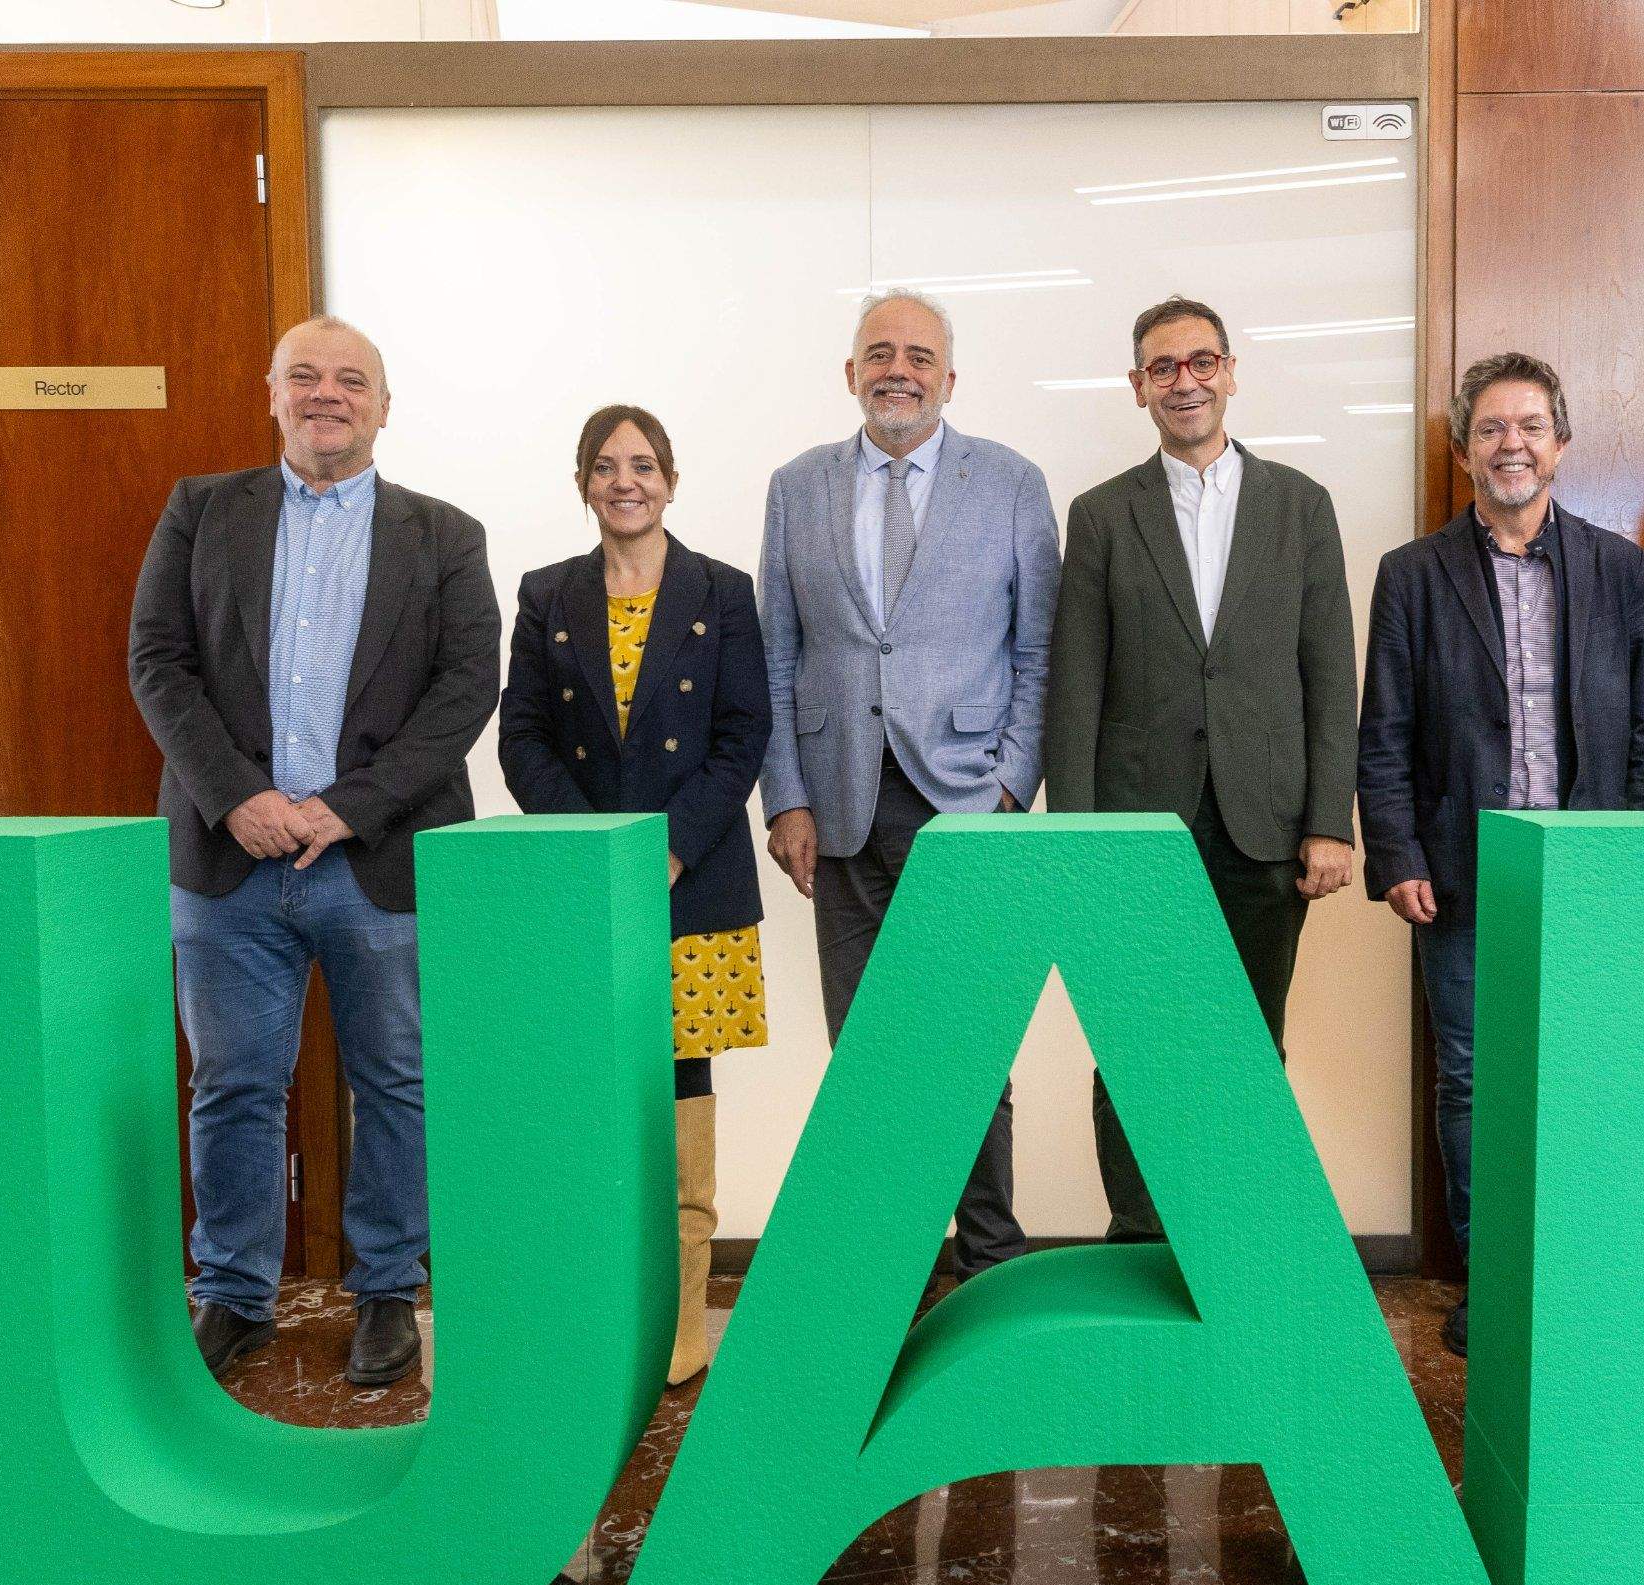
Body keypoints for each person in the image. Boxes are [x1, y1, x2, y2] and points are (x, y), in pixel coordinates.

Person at [129, 315, 500, 1387]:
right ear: (272, 393)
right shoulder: (201, 511)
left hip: (378, 860)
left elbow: (464, 690)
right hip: (229, 859)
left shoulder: (446, 535)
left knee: (396, 1080)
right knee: (233, 1085)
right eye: (304, 375)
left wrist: (346, 807)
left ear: (383, 406)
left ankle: (386, 1290)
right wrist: (235, 795)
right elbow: (157, 661)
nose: (326, 394)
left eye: (350, 379)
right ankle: (234, 1295)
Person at [1357, 351, 1644, 1357]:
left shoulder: (1618, 569)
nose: (1511, 444)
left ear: (1559, 443)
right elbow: (1384, 730)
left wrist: (1633, 859)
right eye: (1489, 428)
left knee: (1585, 1076)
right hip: (1461, 869)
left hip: (1589, 869)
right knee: (1471, 1079)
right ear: (1462, 451)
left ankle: (1577, 1278)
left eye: (1529, 425)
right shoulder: (1412, 574)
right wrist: (1396, 851)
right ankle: (1493, 1282)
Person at [757, 290, 1059, 1282]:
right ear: (850, 373)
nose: (899, 369)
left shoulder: (1010, 483)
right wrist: (786, 796)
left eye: (919, 355)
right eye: (879, 353)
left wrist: (1011, 786)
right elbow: (776, 655)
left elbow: (1037, 650)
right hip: (839, 805)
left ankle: (988, 1258)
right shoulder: (795, 487)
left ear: (949, 378)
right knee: (868, 1054)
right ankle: (887, 1268)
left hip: (965, 802)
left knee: (969, 1044)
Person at [1046, 294, 1357, 1240]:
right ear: (1137, 385)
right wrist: (1078, 842)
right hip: (1137, 832)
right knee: (1133, 1044)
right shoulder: (1101, 514)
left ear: (1229, 372)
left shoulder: (1300, 505)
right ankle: (1140, 1241)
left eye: (1200, 362)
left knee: (1249, 1045)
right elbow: (1075, 689)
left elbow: (1329, 674)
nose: (1184, 381)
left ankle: (1238, 1238)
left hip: (1266, 825)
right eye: (1163, 367)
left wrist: (1328, 821)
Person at [498, 405, 769, 1387]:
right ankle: (602, 1309)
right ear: (583, 481)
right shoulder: (545, 594)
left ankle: (682, 1318)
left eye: (644, 465)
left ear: (671, 479)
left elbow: (743, 735)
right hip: (585, 887)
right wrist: (595, 851)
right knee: (593, 1089)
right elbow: (522, 736)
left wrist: (666, 849)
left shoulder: (722, 591)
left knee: (681, 1085)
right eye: (607, 466)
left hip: (692, 886)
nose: (626, 481)